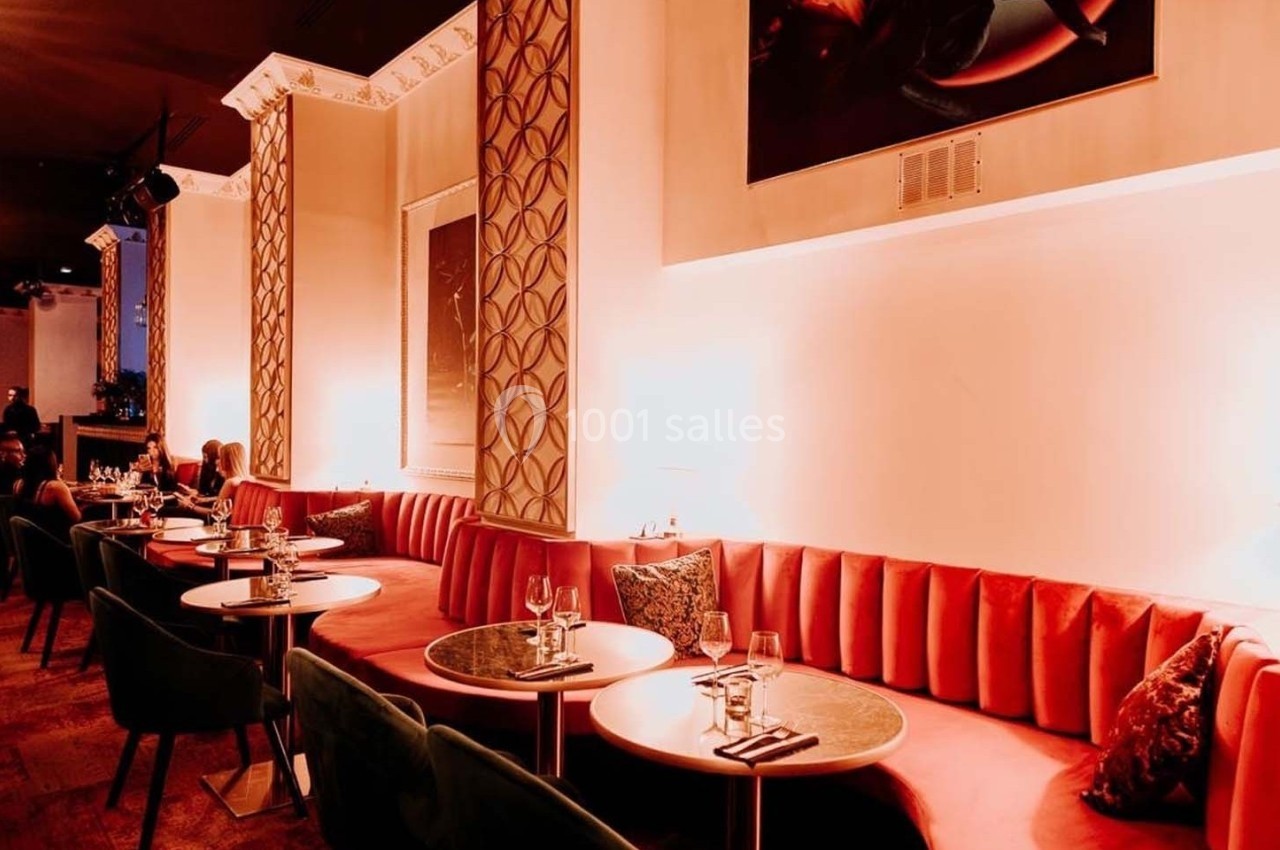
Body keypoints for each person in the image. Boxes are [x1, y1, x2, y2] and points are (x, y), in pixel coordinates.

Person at [13, 445, 80, 542]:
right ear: (51, 463)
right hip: (53, 543)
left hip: (26, 541)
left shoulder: (18, 484)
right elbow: (76, 518)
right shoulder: (55, 487)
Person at [175, 441, 250, 518]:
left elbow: (216, 514)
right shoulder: (246, 480)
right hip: (235, 521)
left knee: (176, 510)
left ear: (227, 461)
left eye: (220, 458)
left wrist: (189, 506)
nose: (217, 461)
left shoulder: (230, 482)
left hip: (218, 522)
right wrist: (204, 500)